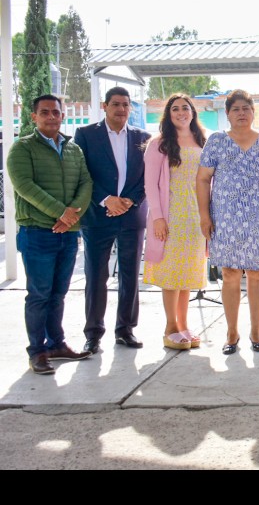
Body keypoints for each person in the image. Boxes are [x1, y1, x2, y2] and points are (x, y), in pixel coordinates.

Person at [7, 94, 94, 374]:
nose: (51, 117)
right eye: (44, 112)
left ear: (62, 115)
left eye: (55, 112)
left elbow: (86, 182)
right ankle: (38, 351)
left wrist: (72, 216)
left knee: (58, 294)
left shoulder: (73, 149)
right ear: (34, 116)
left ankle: (57, 344)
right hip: (37, 232)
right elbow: (24, 186)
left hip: (67, 234)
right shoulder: (22, 148)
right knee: (39, 294)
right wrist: (60, 212)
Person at [197, 89, 259, 355]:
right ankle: (232, 332)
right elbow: (203, 179)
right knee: (230, 274)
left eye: (246, 108)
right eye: (236, 109)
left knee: (257, 274)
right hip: (226, 218)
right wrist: (204, 215)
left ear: (254, 112)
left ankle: (257, 331)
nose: (241, 113)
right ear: (227, 113)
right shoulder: (217, 141)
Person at [75, 87, 150, 354]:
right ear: (104, 106)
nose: (121, 109)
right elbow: (81, 173)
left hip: (132, 215)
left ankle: (125, 329)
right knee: (97, 275)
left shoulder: (143, 137)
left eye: (126, 104)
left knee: (130, 275)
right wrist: (107, 199)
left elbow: (148, 176)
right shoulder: (86, 134)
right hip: (98, 215)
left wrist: (130, 200)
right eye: (116, 104)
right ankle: (93, 333)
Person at [143, 94, 208, 350]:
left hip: (196, 216)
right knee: (171, 273)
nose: (181, 112)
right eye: (175, 109)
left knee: (187, 272)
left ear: (193, 112)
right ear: (168, 115)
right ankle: (170, 328)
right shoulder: (158, 144)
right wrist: (158, 217)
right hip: (171, 215)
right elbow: (150, 184)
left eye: (185, 108)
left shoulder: (203, 140)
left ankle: (184, 325)